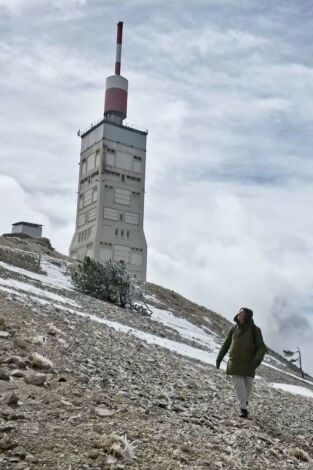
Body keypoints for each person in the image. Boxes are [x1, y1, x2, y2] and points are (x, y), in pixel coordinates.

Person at [216, 307, 267, 418]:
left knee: (248, 387)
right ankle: (243, 408)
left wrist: (257, 360)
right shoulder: (233, 329)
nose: (240, 316)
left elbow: (261, 347)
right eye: (239, 313)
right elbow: (226, 344)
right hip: (235, 362)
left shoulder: (255, 330)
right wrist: (219, 358)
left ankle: (245, 401)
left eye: (242, 314)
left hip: (250, 363)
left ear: (248, 317)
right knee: (239, 386)